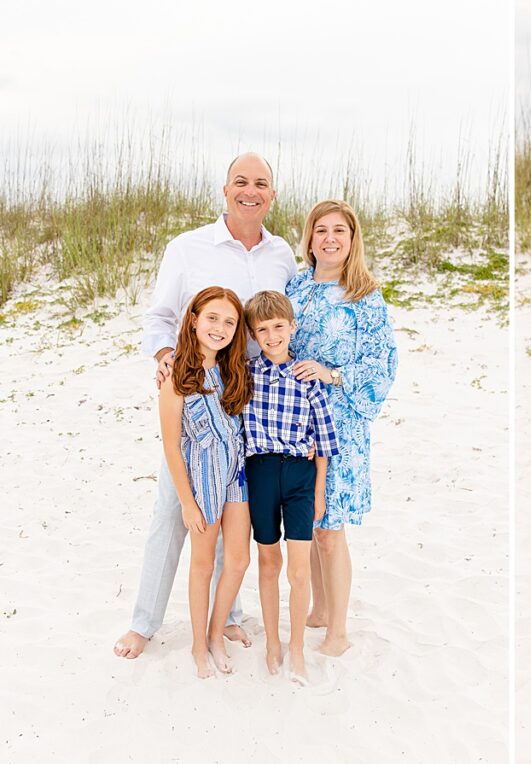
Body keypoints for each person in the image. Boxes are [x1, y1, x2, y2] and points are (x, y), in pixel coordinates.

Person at [114, 153, 296, 660]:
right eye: (241, 182)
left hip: (252, 399)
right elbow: (160, 316)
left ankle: (229, 614)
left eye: (261, 184)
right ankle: (144, 623)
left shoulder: (282, 255)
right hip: (195, 395)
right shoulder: (188, 247)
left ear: (272, 195)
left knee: (234, 508)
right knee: (175, 508)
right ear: (225, 189)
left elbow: (285, 321)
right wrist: (169, 358)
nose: (250, 191)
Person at [287, 200, 397, 656]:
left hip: (340, 422)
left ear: (352, 240)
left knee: (331, 526)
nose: (329, 238)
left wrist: (332, 375)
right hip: (295, 422)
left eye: (340, 231)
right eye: (321, 230)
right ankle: (319, 611)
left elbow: (382, 364)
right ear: (310, 238)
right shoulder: (295, 286)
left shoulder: (364, 295)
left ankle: (339, 632)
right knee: (308, 521)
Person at [242, 290, 342, 684]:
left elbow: (325, 442)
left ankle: (297, 646)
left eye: (278, 327)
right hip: (261, 473)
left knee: (299, 571)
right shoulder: (247, 373)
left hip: (300, 476)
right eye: (262, 329)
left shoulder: (306, 377)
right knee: (269, 563)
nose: (271, 336)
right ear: (253, 333)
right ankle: (272, 642)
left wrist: (318, 491)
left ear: (292, 327)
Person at [158, 286, 252, 678]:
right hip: (203, 474)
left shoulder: (232, 369)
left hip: (237, 471)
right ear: (194, 319)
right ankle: (199, 645)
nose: (220, 328)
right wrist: (187, 501)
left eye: (229, 322)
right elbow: (171, 447)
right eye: (212, 318)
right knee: (201, 562)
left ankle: (216, 633)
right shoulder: (176, 376)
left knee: (238, 559)